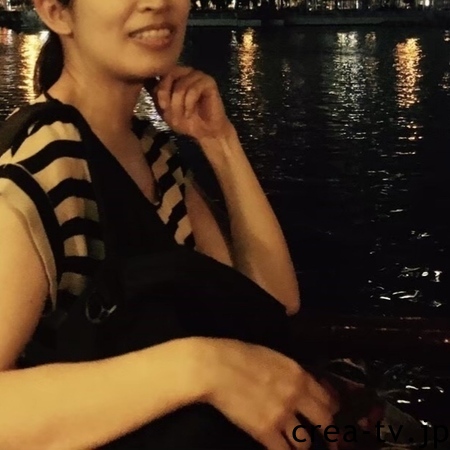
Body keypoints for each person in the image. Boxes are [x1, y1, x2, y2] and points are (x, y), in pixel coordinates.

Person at [0, 0, 339, 448]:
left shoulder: (150, 151)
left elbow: (269, 302)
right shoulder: (41, 168)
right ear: (57, 13)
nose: (158, 3)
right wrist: (200, 368)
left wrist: (221, 142)